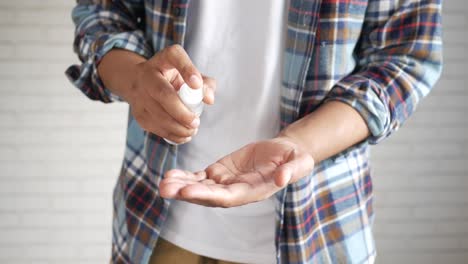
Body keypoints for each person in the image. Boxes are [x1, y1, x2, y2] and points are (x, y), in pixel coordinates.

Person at [66, 0, 442, 263]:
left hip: (319, 231)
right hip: (152, 224)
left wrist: (298, 144)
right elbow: (103, 13)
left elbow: (406, 58)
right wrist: (136, 82)